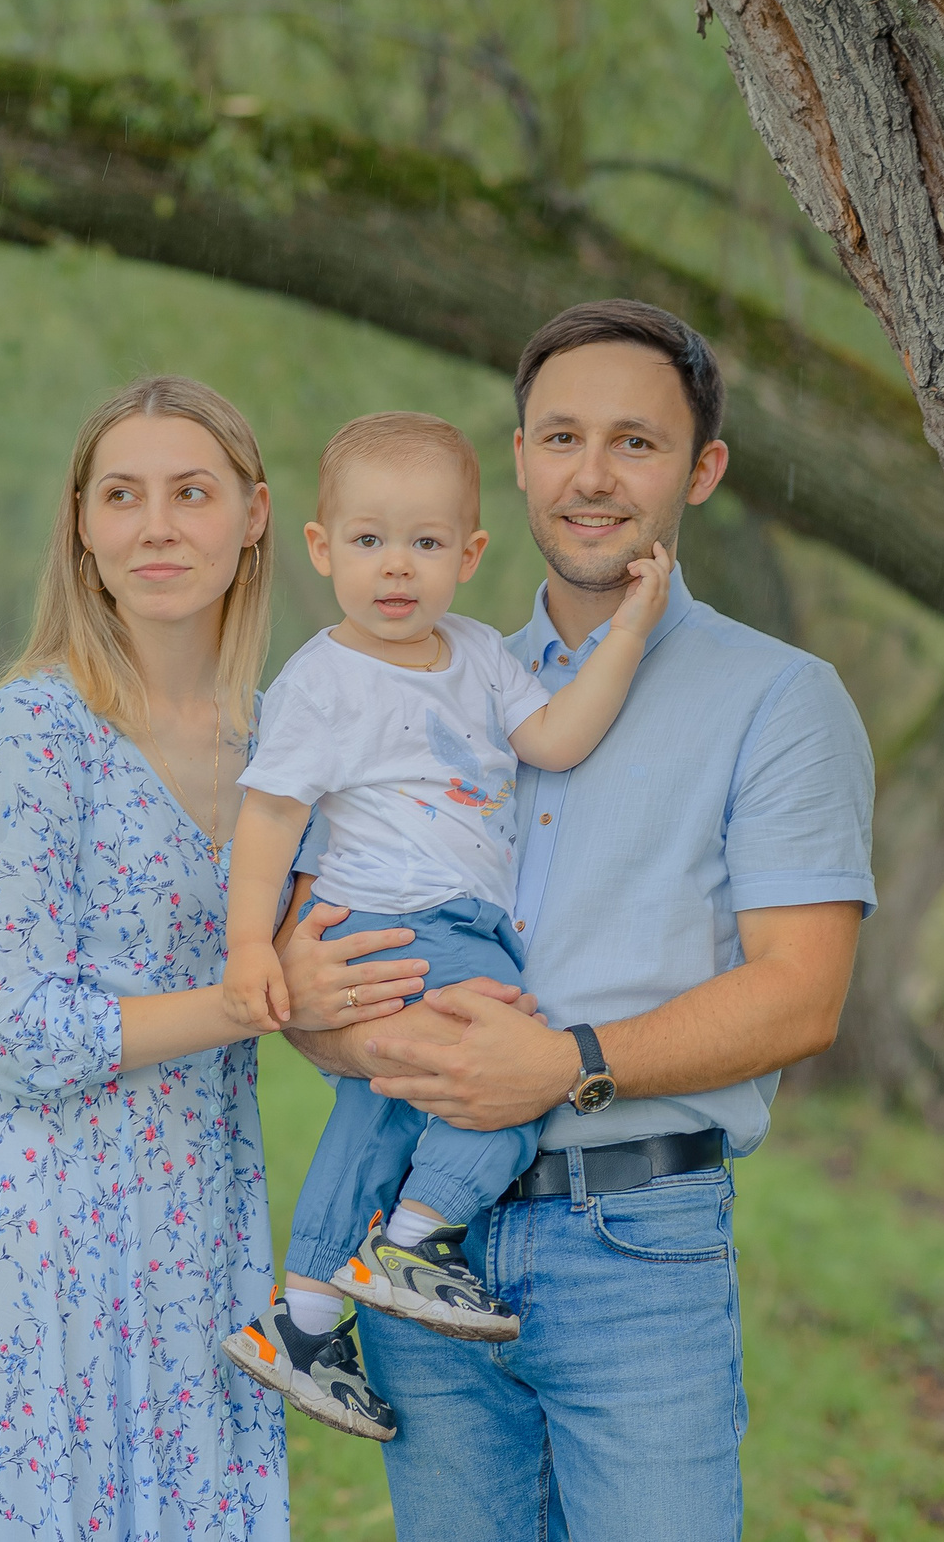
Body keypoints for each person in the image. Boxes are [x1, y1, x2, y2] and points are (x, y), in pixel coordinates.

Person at [278, 301, 876, 1541]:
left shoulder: (776, 698)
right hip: (419, 1252)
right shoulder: (423, 681)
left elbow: (800, 993)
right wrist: (338, 1022)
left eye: (635, 443)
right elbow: (308, 950)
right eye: (560, 436)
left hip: (633, 1246)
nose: (591, 475)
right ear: (518, 460)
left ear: (700, 470)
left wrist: (564, 1064)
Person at [0, 376, 428, 1542]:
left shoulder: (288, 741)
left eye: (190, 492)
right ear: (81, 524)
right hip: (39, 1215)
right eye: (122, 494)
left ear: (256, 514)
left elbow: (338, 968)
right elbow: (13, 1032)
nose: (156, 525)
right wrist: (249, 998)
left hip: (202, 1215)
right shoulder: (38, 725)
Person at [212, 412, 670, 1440]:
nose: (396, 567)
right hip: (393, 914)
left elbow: (556, 734)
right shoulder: (323, 680)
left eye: (425, 543)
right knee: (509, 1069)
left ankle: (307, 1315)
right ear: (322, 547)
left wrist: (628, 633)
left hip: (449, 917)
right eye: (368, 540)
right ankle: (420, 1238)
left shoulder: (474, 654)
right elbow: (270, 819)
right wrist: (252, 943)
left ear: (467, 555)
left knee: (382, 1109)